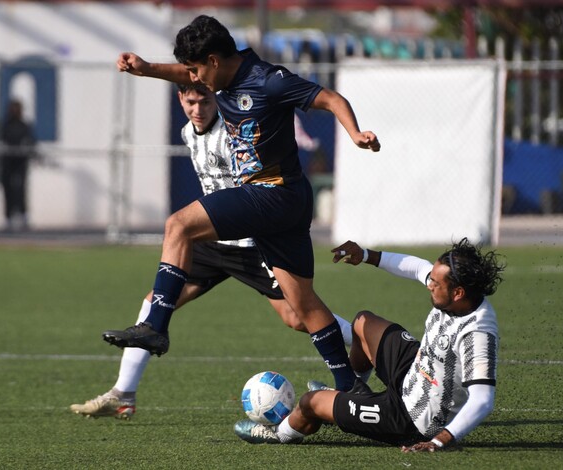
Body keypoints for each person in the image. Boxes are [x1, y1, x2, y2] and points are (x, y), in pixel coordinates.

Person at [102, 15, 380, 392]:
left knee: (178, 225)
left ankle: (156, 327)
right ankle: (350, 387)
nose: (194, 78)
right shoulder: (220, 76)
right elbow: (185, 76)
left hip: (271, 193)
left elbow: (329, 98)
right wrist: (147, 69)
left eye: (197, 69)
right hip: (288, 200)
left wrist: (355, 133)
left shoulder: (268, 80)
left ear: (214, 61)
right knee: (302, 306)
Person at [71, 83, 353, 419]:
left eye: (204, 101)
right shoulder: (188, 132)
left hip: (251, 245)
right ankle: (123, 393)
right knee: (155, 302)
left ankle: (366, 340)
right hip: (212, 243)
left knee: (297, 316)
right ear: (181, 101)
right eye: (190, 102)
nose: (197, 109)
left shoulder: (234, 133)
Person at [234, 238, 505, 452]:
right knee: (363, 322)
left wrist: (439, 440)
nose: (428, 284)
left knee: (310, 403)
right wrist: (365, 255)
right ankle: (353, 389)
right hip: (415, 371)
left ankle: (279, 434)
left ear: (458, 293)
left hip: (411, 419)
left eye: (435, 282)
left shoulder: (477, 333)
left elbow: (483, 400)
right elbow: (418, 267)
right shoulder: (456, 293)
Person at [0, 99, 35, 231]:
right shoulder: (5, 125)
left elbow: (31, 141)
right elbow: (0, 140)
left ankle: (23, 216)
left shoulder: (24, 126)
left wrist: (26, 148)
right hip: (7, 162)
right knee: (8, 190)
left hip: (20, 162)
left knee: (20, 190)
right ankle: (8, 218)